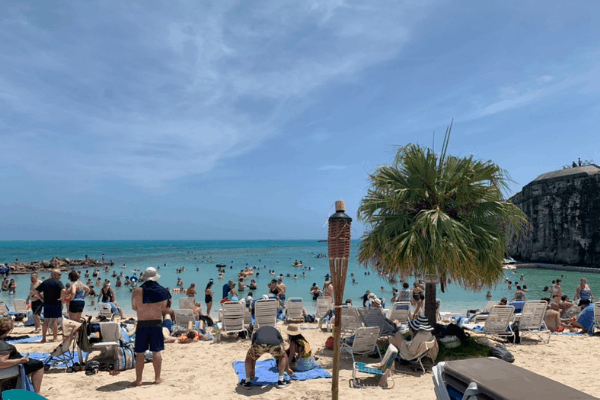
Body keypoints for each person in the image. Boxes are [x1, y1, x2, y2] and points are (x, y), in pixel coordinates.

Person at [130, 267, 171, 386]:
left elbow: (134, 307)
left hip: (142, 322)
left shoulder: (137, 291)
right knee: (156, 351)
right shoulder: (162, 291)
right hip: (156, 322)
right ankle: (157, 378)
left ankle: (139, 380)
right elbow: (164, 308)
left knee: (140, 352)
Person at [0, 318, 45, 393]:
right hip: (11, 369)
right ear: (7, 331)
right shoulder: (4, 346)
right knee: (39, 365)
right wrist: (20, 360)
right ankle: (37, 392)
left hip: (10, 366)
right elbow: (1, 363)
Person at [240, 326, 291, 390]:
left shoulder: (257, 332)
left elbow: (253, 356)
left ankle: (247, 382)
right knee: (282, 356)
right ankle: (281, 380)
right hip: (274, 343)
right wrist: (288, 368)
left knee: (249, 357)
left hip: (260, 343)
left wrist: (253, 370)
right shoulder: (277, 331)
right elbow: (283, 350)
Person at [35, 269, 64, 343]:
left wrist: (42, 299)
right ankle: (55, 338)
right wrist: (62, 299)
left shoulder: (45, 282)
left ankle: (44, 338)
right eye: (59, 274)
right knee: (54, 321)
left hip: (47, 304)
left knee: (46, 321)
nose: (60, 276)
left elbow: (37, 291)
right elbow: (63, 291)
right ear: (54, 275)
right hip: (56, 303)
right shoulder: (58, 282)